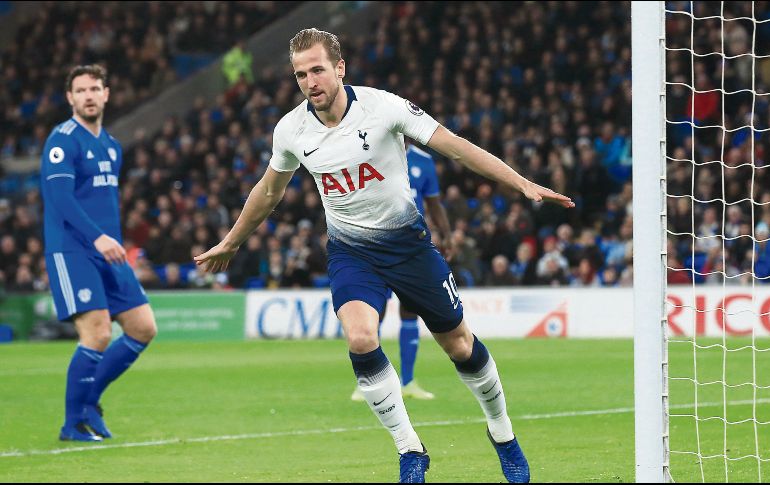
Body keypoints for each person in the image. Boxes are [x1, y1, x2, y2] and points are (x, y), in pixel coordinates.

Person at [195, 29, 573, 483]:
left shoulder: (383, 108)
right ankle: (410, 448)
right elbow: (268, 191)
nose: (310, 82)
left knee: (460, 345)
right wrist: (232, 241)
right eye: (300, 74)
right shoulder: (291, 130)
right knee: (359, 337)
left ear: (339, 68)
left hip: (409, 246)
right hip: (351, 252)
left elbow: (455, 145)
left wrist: (521, 183)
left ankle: (502, 433)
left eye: (317, 70)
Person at [40, 65, 158, 442]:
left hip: (108, 249)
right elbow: (60, 199)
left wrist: (113, 241)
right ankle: (72, 423)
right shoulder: (62, 141)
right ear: (70, 98)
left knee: (143, 327)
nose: (89, 95)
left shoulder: (110, 144)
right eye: (81, 90)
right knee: (98, 332)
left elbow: (102, 202)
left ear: (106, 94)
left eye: (95, 88)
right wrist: (98, 239)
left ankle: (89, 401)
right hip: (73, 250)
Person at [350, 142, 452, 402]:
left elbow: (433, 202)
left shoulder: (424, 161)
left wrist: (447, 234)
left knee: (411, 309)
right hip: (372, 241)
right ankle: (369, 383)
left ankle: (407, 381)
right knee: (374, 311)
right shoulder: (368, 150)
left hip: (409, 246)